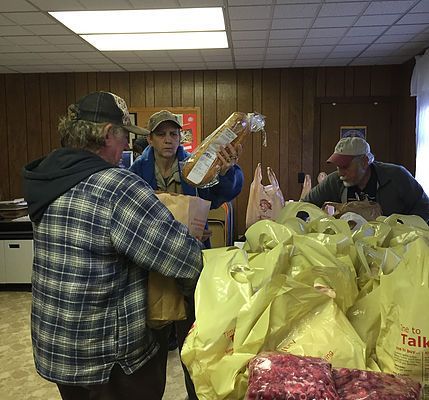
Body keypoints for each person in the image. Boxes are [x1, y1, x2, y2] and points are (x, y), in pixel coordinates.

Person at [22, 91, 204, 400]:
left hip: (58, 345)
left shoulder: (47, 177)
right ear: (108, 134)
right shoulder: (117, 186)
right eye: (124, 138)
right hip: (109, 358)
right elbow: (183, 258)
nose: (127, 147)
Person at [129, 109, 244, 399]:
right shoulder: (135, 172)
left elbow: (221, 193)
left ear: (181, 137)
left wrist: (228, 170)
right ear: (151, 139)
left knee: (193, 340)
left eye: (174, 134)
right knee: (151, 345)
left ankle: (195, 395)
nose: (169, 140)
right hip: (151, 265)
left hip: (190, 262)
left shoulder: (194, 164)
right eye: (161, 134)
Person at [302, 136, 429, 222]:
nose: (340, 172)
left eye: (345, 166)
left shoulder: (397, 176)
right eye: (338, 166)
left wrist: (402, 225)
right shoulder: (335, 180)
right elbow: (305, 205)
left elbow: (424, 206)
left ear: (364, 162)